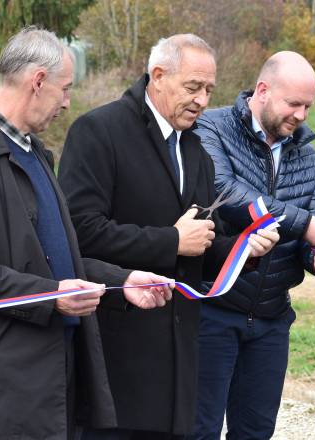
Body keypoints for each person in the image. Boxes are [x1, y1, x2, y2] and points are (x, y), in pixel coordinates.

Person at [0, 27, 174, 440]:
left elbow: (55, 262)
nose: (67, 102)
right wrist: (48, 298)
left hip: (47, 377)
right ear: (37, 82)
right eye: (64, 89)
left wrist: (122, 282)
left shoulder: (35, 153)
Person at [58, 34, 279, 439]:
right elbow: (78, 234)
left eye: (209, 90)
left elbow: (201, 247)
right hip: (115, 361)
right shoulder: (98, 131)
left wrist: (245, 250)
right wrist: (169, 241)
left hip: (178, 366)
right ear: (157, 76)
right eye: (193, 87)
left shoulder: (196, 151)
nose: (202, 100)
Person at [191, 51, 315, 439]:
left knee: (257, 431)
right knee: (198, 429)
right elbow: (224, 191)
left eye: (308, 106)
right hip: (213, 309)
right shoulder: (211, 128)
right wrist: (307, 224)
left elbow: (314, 224)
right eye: (293, 104)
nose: (301, 115)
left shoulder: (308, 159)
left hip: (272, 319)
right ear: (262, 90)